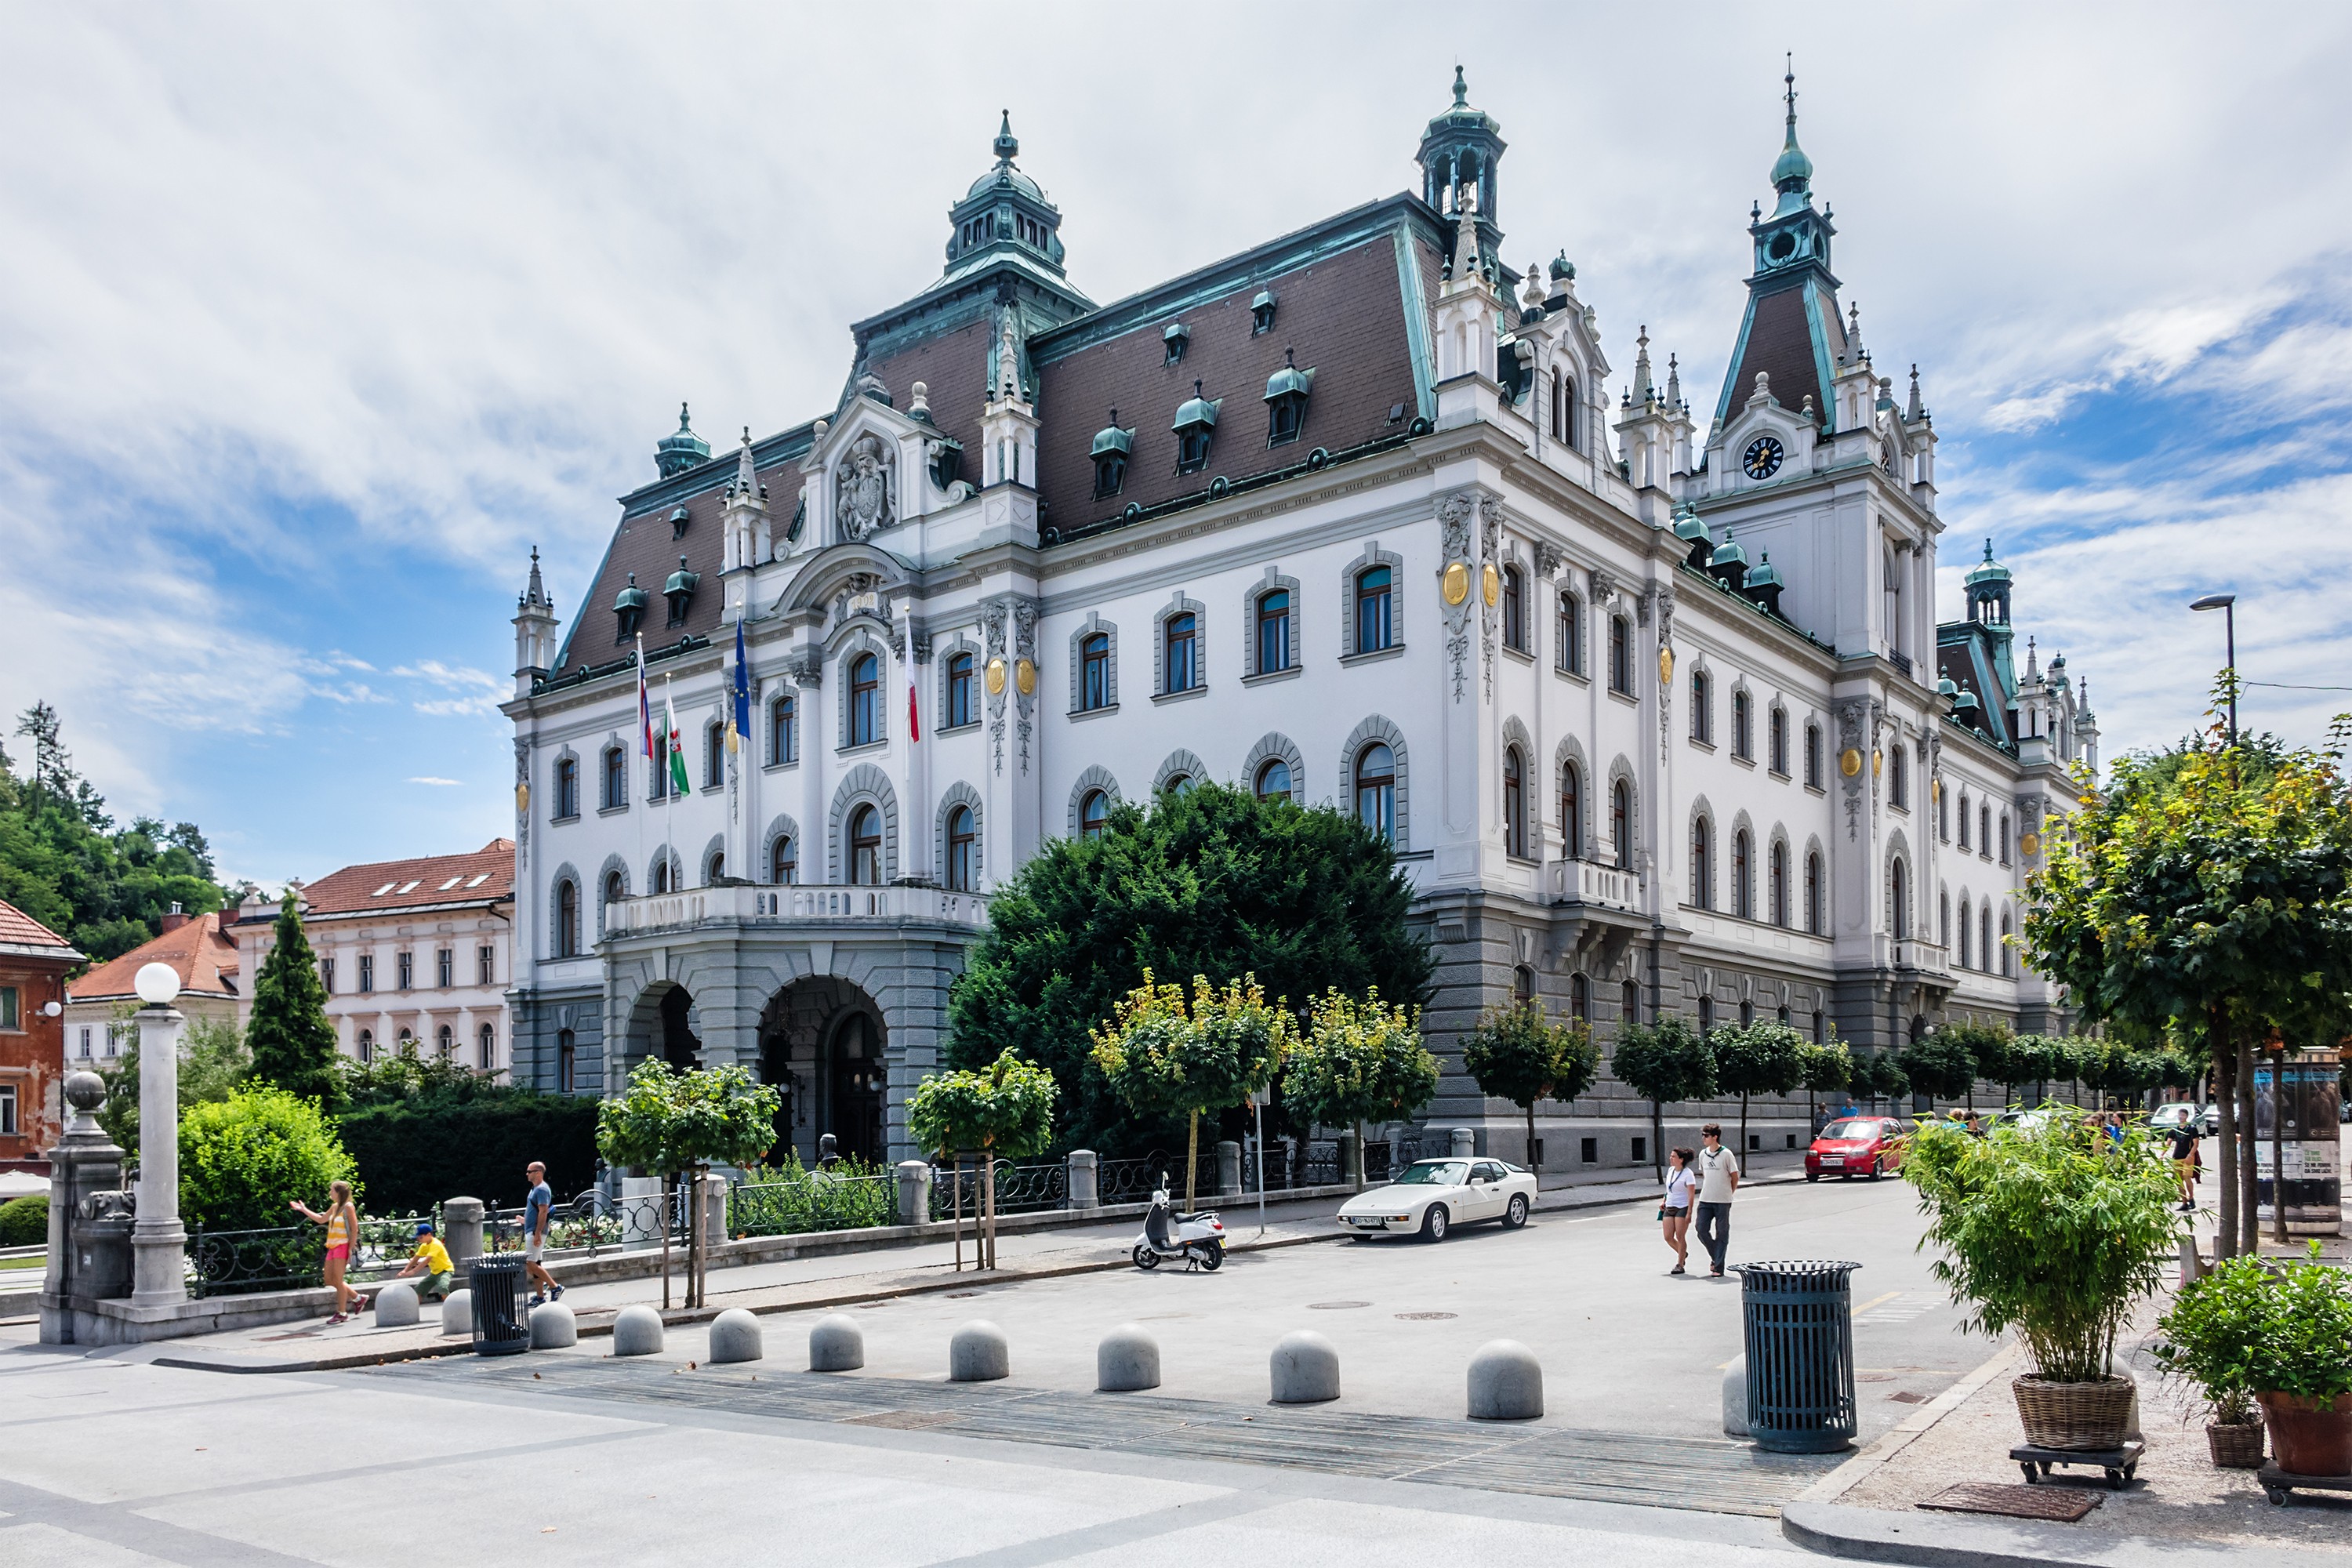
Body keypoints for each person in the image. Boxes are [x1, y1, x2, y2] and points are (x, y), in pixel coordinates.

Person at [291, 1179, 367, 1323]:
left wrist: (350, 1250)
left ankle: (342, 1313)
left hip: (343, 1246)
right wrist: (303, 1209)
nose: (329, 1193)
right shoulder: (334, 1207)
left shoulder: (348, 1207)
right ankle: (358, 1298)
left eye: (332, 1190)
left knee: (338, 1280)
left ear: (339, 1192)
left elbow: (354, 1229)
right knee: (329, 1280)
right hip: (332, 1246)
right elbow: (321, 1219)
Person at [1693, 1123, 1740, 1278]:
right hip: (1706, 1198)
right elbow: (1705, 1175)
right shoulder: (1703, 1154)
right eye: (1703, 1135)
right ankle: (1716, 1255)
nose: (1703, 1138)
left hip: (1722, 1200)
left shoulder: (1726, 1154)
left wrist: (1729, 1192)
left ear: (1715, 1137)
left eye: (1706, 1136)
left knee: (1722, 1232)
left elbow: (1734, 1176)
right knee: (1701, 1229)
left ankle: (1718, 1267)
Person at [522, 1160, 563, 1307]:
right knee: (536, 1263)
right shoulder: (535, 1189)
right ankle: (540, 1296)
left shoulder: (542, 1189)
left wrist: (538, 1232)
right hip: (532, 1229)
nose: (527, 1174)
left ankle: (555, 1287)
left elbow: (543, 1211)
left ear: (538, 1173)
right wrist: (524, 1220)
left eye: (529, 1171)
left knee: (530, 1263)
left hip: (536, 1231)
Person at [392, 1220, 456, 1301]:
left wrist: (413, 1271)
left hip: (446, 1270)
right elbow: (415, 1259)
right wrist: (405, 1270)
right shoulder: (424, 1246)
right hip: (434, 1273)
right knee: (419, 1290)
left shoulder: (436, 1244)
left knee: (442, 1288)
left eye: (421, 1237)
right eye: (418, 1238)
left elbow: (427, 1260)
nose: (419, 1239)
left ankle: (451, 1306)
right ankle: (413, 1308)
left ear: (429, 1234)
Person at [1660, 1147, 1700, 1276]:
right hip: (1669, 1206)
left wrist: (1689, 1212)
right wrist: (1664, 1201)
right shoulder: (1671, 1171)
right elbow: (1668, 1189)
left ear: (1681, 1160)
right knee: (1668, 1237)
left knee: (1680, 1236)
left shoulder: (1688, 1174)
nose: (1670, 1158)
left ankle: (1680, 1264)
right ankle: (1683, 1253)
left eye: (1673, 1157)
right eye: (1671, 1156)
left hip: (1682, 1207)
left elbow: (1691, 1195)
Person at [2168, 1117, 2201, 1210]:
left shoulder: (2192, 1129)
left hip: (2188, 1158)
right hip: (2177, 1157)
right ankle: (2184, 1202)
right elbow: (2168, 1143)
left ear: (2186, 1116)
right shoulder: (2174, 1129)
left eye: (2183, 1115)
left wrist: (2190, 1155)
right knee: (2179, 1181)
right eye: (2179, 1115)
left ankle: (2191, 1198)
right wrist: (2162, 1154)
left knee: (2187, 1178)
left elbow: (2196, 1144)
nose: (2181, 1117)